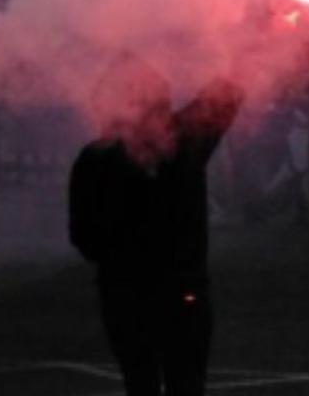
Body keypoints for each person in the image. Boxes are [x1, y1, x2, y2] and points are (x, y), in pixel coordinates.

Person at [69, 61, 245, 396]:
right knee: (187, 385)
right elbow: (227, 90)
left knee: (140, 384)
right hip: (184, 293)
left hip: (123, 295)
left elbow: (83, 238)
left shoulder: (94, 158)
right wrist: (265, 27)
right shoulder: (185, 141)